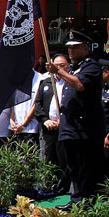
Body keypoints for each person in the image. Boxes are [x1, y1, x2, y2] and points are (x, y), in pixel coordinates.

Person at [46, 30, 105, 208]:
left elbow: (79, 85)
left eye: (75, 48)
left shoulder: (92, 66)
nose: (71, 51)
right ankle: (77, 198)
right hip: (70, 127)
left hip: (84, 128)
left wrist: (59, 71)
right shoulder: (73, 68)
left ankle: (87, 201)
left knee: (85, 166)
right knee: (73, 166)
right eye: (69, 48)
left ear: (86, 48)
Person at [34, 54, 71, 195]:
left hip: (64, 128)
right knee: (49, 159)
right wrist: (45, 120)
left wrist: (64, 120)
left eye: (62, 65)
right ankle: (49, 189)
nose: (58, 67)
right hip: (49, 128)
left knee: (64, 161)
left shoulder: (70, 83)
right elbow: (38, 104)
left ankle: (62, 191)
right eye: (56, 65)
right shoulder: (47, 82)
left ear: (67, 66)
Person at [9, 69, 42, 144]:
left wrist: (24, 125)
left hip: (30, 128)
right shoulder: (15, 78)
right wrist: (11, 119)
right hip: (14, 127)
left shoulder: (40, 78)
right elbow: (13, 100)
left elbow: (36, 103)